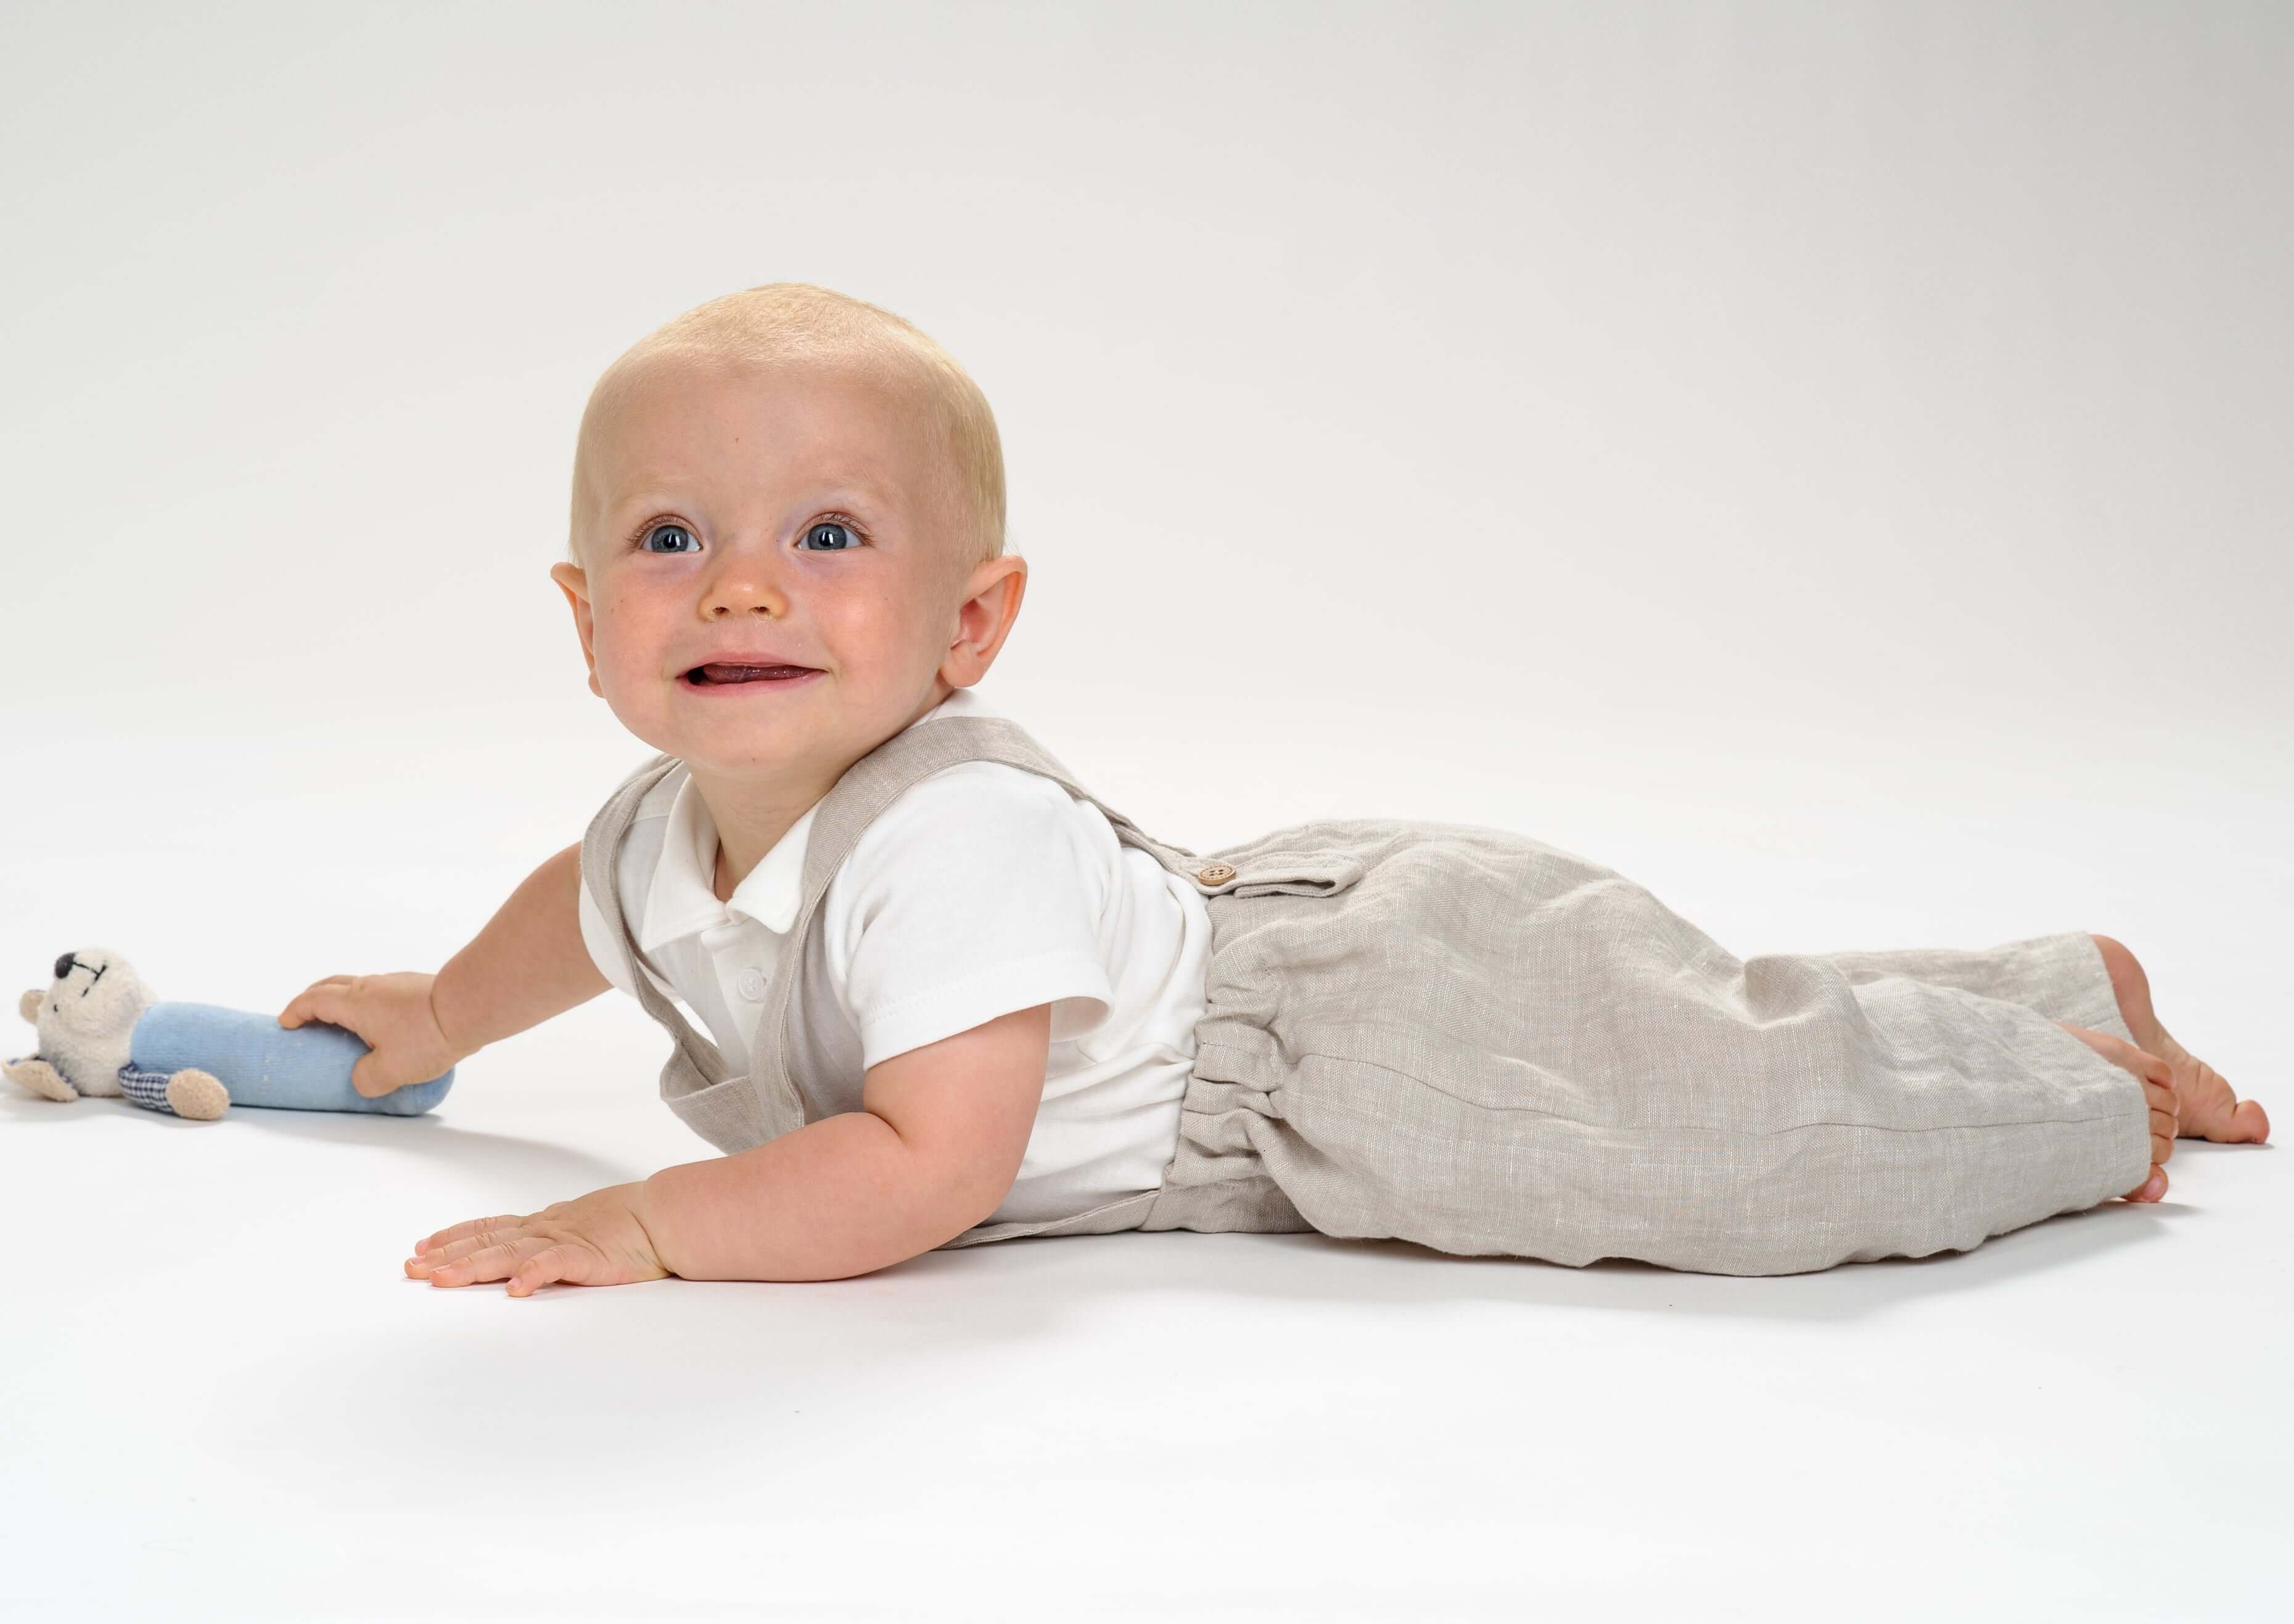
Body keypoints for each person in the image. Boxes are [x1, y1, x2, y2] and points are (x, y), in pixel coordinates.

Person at [276, 282, 2269, 1294]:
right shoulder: (659, 831)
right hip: (1299, 944)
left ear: (972, 626)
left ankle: (2070, 1094)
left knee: (1740, 1146)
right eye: (667, 536)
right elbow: (584, 905)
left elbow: (927, 1165)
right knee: (1703, 1032)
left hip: (1379, 1036)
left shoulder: (946, 840)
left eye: (824, 538)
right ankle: (2033, 979)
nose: (732, 582)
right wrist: (439, 1015)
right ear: (582, 614)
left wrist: (647, 1227)